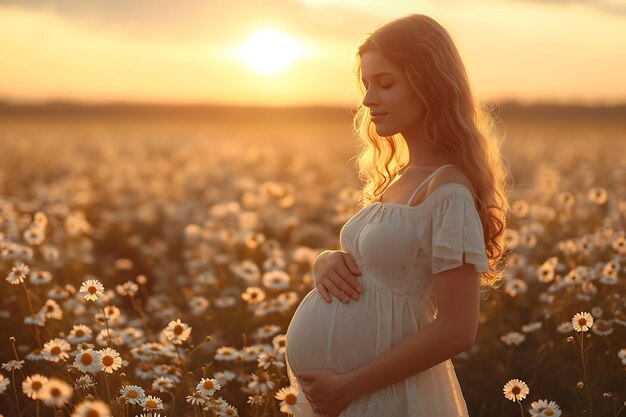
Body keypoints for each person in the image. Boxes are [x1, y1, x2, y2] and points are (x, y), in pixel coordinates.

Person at [284, 13, 511, 417]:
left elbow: (458, 329)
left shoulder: (448, 191)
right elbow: (377, 272)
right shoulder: (401, 178)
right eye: (367, 85)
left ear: (431, 85)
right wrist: (326, 262)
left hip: (385, 397)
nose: (369, 99)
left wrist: (348, 387)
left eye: (386, 83)